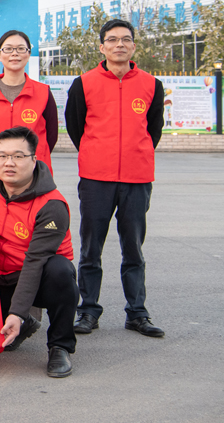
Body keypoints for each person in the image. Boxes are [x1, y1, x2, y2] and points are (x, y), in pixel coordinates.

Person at [65, 19, 165, 338]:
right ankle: (88, 310)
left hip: (137, 178)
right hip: (96, 178)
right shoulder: (83, 83)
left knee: (133, 247)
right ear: (102, 46)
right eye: (112, 39)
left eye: (125, 39)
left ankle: (137, 312)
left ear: (134, 46)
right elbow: (76, 127)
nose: (119, 44)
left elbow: (154, 129)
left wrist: (135, 153)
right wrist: (98, 154)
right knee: (90, 247)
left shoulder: (151, 84)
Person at [0, 127, 78, 378]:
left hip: (34, 276)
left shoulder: (52, 205)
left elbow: (35, 261)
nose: (9, 163)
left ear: (34, 159)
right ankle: (23, 324)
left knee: (60, 271)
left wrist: (16, 312)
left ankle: (60, 346)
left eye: (18, 156)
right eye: (2, 156)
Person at [0, 30, 59, 182]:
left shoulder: (43, 92)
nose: (14, 53)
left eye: (20, 48)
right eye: (8, 49)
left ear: (28, 54)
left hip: (34, 172)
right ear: (0, 55)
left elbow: (51, 136)